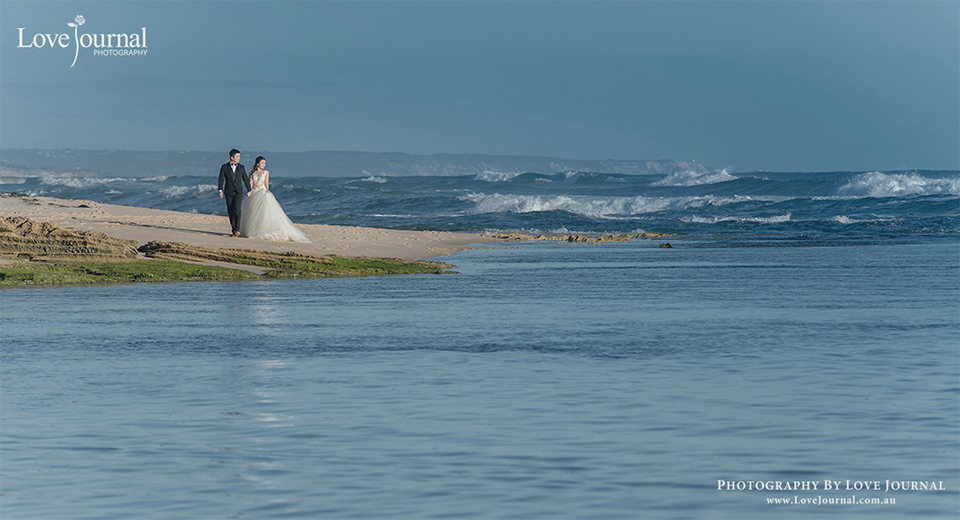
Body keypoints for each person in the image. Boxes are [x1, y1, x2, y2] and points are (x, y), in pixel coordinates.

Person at [239, 156, 311, 242]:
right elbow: (251, 183)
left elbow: (266, 184)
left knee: (263, 212)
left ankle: (263, 231)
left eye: (265, 163)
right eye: (262, 163)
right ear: (257, 163)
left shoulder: (266, 172)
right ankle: (253, 230)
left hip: (262, 192)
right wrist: (249, 191)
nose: (264, 165)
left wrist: (267, 192)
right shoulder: (252, 173)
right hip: (254, 192)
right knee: (252, 213)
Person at [217, 148, 251, 237]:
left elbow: (246, 179)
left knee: (237, 209)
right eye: (237, 156)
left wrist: (249, 190)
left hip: (238, 191)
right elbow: (221, 179)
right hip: (228, 191)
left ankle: (237, 228)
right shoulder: (224, 167)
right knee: (230, 210)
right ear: (232, 157)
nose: (239, 158)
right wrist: (220, 190)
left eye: (239, 156)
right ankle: (234, 229)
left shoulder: (241, 168)